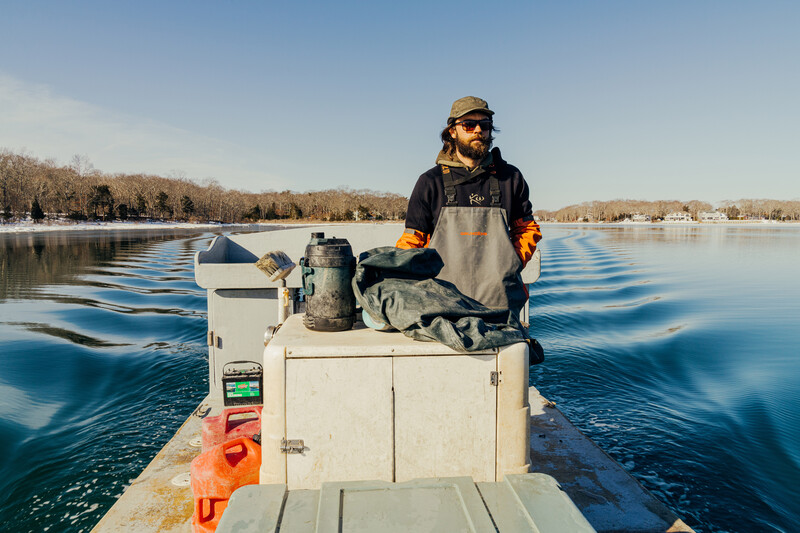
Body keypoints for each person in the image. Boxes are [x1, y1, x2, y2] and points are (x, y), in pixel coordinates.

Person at [396, 96, 542, 314]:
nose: (478, 130)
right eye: (468, 125)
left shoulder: (511, 178)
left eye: (485, 125)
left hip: (500, 306)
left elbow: (527, 229)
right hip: (443, 306)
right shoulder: (430, 181)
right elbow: (411, 241)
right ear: (452, 131)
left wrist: (513, 262)